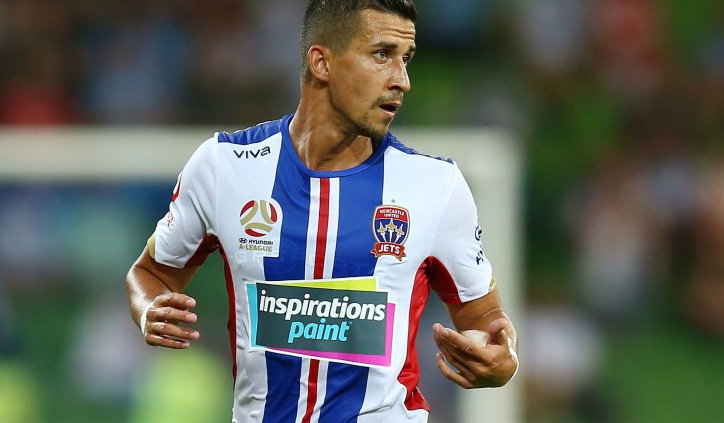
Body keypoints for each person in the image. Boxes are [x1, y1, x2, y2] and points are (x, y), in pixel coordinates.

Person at [126, 1, 519, 421]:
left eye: (406, 59)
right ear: (321, 63)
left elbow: (484, 317)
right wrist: (149, 309)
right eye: (382, 54)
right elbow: (150, 273)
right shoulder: (224, 167)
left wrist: (503, 358)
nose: (402, 80)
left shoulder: (435, 186)